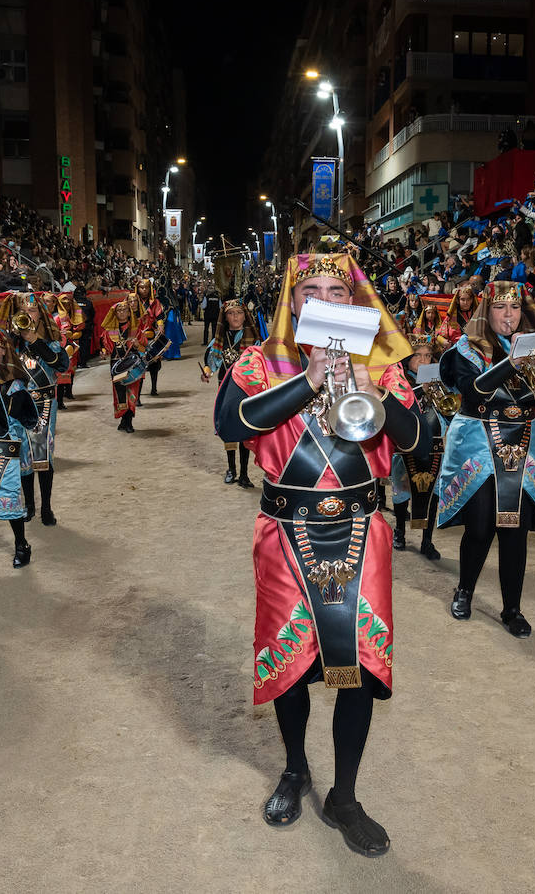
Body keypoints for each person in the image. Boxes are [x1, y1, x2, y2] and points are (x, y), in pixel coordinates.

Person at [214, 252, 427, 857]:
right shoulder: (261, 360)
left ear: (355, 303)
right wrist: (308, 380)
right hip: (285, 535)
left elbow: (421, 442)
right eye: (312, 290)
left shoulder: (381, 366)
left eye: (338, 290)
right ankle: (293, 768)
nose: (325, 300)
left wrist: (371, 391)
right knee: (293, 665)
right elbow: (230, 425)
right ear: (293, 300)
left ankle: (346, 796)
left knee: (354, 665)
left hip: (363, 532)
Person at [436, 279, 535, 636]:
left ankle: (512, 609)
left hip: (522, 441)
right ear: (487, 311)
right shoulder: (466, 348)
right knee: (481, 525)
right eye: (501, 308)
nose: (509, 315)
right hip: (477, 442)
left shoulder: (532, 348)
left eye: (516, 308)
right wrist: (512, 361)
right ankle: (465, 590)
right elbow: (473, 395)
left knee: (514, 529)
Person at [0, 292, 69, 525]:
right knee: (23, 458)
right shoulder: (8, 342)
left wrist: (33, 339)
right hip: (17, 404)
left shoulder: (51, 339)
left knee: (43, 456)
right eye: (22, 311)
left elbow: (61, 364)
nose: (27, 315)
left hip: (44, 404)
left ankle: (46, 507)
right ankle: (29, 504)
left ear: (40, 313)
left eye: (32, 310)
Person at [0, 326, 39, 568]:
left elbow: (27, 419)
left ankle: (21, 543)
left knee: (10, 500)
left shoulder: (14, 383)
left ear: (4, 351)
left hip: (7, 449)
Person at [389, 335, 451, 560]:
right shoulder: (398, 377)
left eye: (428, 356)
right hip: (406, 443)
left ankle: (427, 540)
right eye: (418, 356)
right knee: (402, 489)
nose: (424, 360)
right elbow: (394, 405)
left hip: (434, 442)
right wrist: (420, 389)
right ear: (408, 358)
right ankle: (400, 531)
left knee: (433, 491)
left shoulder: (437, 378)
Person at [205, 299, 261, 487]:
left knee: (244, 428)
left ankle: (244, 474)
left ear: (245, 315)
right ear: (225, 317)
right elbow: (212, 362)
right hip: (225, 386)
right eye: (231, 313)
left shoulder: (254, 339)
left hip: (246, 389)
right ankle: (231, 469)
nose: (235, 317)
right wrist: (207, 371)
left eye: (239, 313)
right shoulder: (219, 339)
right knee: (228, 427)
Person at [101, 293, 152, 433]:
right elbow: (106, 349)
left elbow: (144, 348)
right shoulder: (109, 332)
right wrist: (104, 352)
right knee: (120, 395)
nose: (122, 312)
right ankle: (124, 421)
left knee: (132, 394)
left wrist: (137, 345)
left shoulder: (136, 330)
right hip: (116, 367)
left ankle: (128, 422)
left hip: (133, 366)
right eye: (119, 310)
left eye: (125, 310)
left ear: (130, 313)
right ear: (115, 313)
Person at [133, 277, 168, 396]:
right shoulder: (133, 301)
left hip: (150, 334)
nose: (144, 290)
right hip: (136, 336)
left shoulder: (155, 302)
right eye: (141, 287)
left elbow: (159, 316)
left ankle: (154, 388)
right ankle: (137, 393)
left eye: (146, 287)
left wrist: (160, 326)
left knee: (154, 362)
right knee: (137, 364)